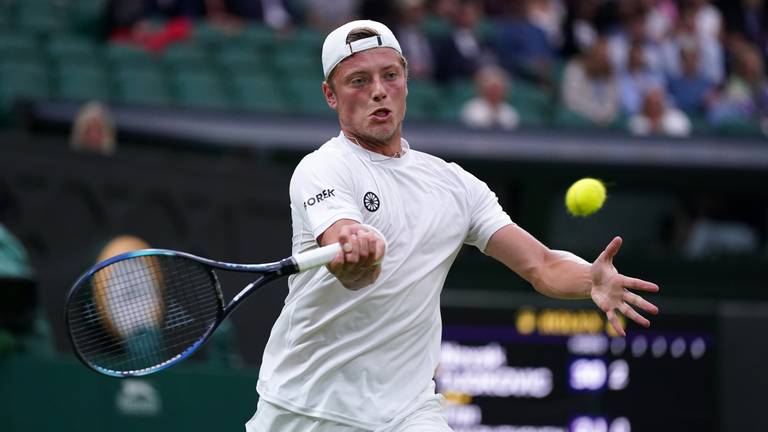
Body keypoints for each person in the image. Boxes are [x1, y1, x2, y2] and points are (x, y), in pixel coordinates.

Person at [246, 19, 660, 432]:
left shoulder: (456, 186)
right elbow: (348, 255)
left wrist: (590, 278)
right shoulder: (322, 168)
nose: (378, 90)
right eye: (358, 80)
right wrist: (358, 256)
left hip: (407, 412)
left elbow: (542, 265)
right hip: (306, 410)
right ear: (330, 95)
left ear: (406, 80)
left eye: (390, 75)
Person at [460, 64, 520, 130]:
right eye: (491, 88)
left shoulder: (510, 112)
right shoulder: (471, 108)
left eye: (498, 89)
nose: (494, 92)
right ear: (482, 89)